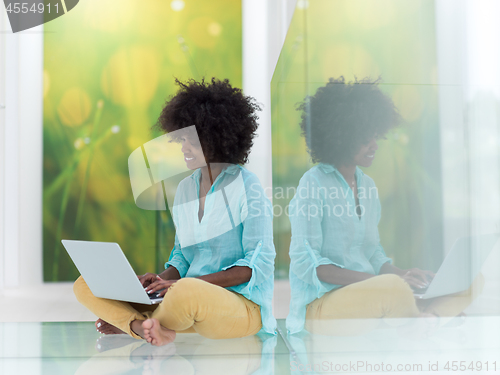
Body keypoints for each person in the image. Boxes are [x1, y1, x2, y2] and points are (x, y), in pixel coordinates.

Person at [74, 78, 276, 346]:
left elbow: (256, 266)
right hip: (185, 304)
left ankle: (131, 323)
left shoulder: (247, 186)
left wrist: (183, 286)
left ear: (219, 137)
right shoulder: (185, 189)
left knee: (189, 291)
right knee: (86, 282)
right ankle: (140, 325)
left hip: (239, 306)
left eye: (192, 140)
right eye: (182, 139)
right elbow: (182, 257)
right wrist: (159, 281)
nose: (184, 148)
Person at [286, 77, 483, 336]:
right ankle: (425, 319)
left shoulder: (367, 186)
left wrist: (406, 273)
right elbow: (307, 264)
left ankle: (427, 319)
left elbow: (374, 256)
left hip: (374, 293)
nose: (374, 145)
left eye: (375, 136)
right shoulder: (313, 183)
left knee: (471, 281)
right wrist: (385, 282)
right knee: (393, 290)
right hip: (322, 306)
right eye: (364, 139)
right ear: (340, 137)